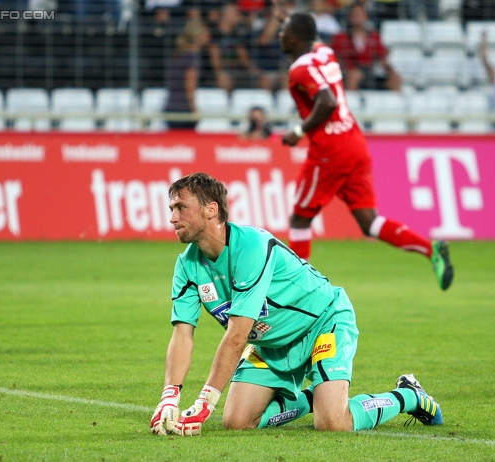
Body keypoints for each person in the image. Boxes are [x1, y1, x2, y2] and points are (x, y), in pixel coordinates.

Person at [150, 172, 444, 436]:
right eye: (171, 209)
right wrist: (169, 397)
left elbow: (237, 335)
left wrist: (205, 402)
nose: (173, 218)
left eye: (180, 208)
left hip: (322, 322)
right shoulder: (187, 265)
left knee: (333, 424)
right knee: (238, 421)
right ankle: (315, 396)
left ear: (211, 209)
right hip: (273, 342)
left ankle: (410, 395)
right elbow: (182, 333)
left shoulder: (250, 246)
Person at [277, 12, 453, 290]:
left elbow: (327, 102)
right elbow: (311, 38)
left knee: (300, 217)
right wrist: (289, 20)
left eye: (283, 31)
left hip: (329, 149)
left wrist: (297, 132)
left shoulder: (299, 69)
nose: (279, 35)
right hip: (355, 143)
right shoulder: (325, 52)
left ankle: (300, 289)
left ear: (294, 38)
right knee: (369, 222)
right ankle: (431, 250)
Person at [331, 2, 401, 91]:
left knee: (395, 78)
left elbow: (382, 60)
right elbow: (335, 60)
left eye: (360, 14)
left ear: (366, 16)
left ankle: (395, 104)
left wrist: (391, 72)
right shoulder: (340, 37)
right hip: (348, 72)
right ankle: (351, 102)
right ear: (350, 17)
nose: (357, 17)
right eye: (354, 14)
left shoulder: (374, 37)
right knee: (355, 75)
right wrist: (344, 70)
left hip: (369, 73)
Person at [164, 9, 210, 130]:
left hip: (170, 107)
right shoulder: (192, 56)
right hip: (183, 110)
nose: (208, 36)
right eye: (205, 33)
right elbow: (190, 84)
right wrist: (194, 109)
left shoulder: (179, 53)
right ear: (198, 35)